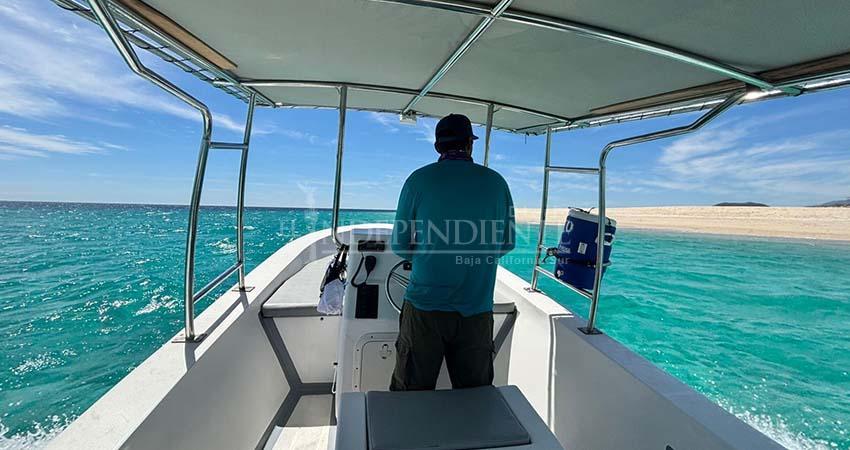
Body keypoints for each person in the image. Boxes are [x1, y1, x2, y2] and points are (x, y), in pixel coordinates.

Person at [389, 113, 515, 391]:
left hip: (424, 309)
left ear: (438, 146)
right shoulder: (497, 182)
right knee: (475, 396)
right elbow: (507, 243)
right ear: (470, 144)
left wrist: (428, 257)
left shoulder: (417, 180)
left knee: (410, 394)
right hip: (477, 309)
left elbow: (399, 244)